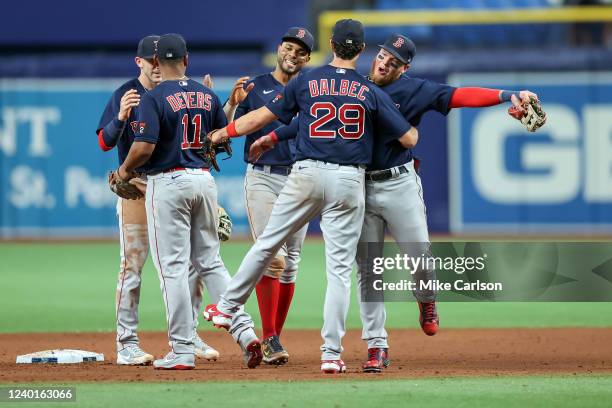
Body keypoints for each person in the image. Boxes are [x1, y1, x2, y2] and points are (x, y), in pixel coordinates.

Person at [203, 19, 418, 374]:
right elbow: (409, 139)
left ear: (331, 44)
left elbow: (260, 117)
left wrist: (221, 133)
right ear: (362, 51)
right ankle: (331, 354)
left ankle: (227, 307)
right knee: (338, 272)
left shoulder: (307, 80)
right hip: (349, 180)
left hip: (306, 172)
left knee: (268, 242)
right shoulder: (370, 91)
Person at [357, 33, 540, 373]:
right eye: (382, 55)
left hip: (399, 183)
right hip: (359, 187)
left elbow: (460, 96)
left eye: (393, 62)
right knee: (369, 270)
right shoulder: (352, 85)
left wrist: (505, 96)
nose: (384, 63)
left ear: (404, 68)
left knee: (421, 260)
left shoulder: (416, 89)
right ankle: (376, 345)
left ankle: (427, 301)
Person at [116, 33, 261, 369]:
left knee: (174, 269)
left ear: (155, 63)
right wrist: (218, 102)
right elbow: (220, 141)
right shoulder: (206, 94)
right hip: (204, 181)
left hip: (168, 183)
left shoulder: (153, 97)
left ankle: (181, 350)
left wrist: (124, 171)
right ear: (187, 59)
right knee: (210, 262)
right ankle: (246, 332)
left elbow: (144, 147)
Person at [95, 35, 219, 365]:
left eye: (159, 60)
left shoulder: (181, 92)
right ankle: (126, 343)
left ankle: (188, 336)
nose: (157, 66)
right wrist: (120, 117)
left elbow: (208, 141)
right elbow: (104, 143)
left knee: (193, 265)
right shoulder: (125, 94)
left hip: (173, 186)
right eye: (151, 61)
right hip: (137, 187)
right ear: (140, 62)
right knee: (132, 265)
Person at [223, 27, 313, 365]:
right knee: (271, 256)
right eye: (289, 47)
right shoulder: (255, 86)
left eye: (300, 51)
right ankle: (271, 337)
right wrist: (232, 103)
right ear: (279, 49)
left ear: (307, 58)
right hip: (264, 178)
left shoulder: (311, 88)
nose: (293, 54)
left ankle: (276, 335)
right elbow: (227, 127)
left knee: (291, 265)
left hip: (301, 180)